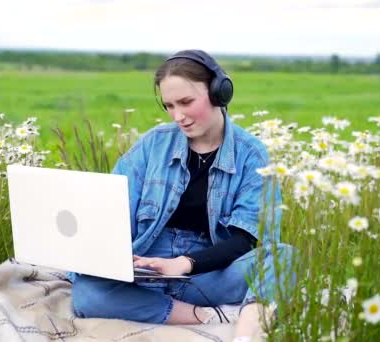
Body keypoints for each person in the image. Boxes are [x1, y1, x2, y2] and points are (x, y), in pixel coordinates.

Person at [70, 50, 295, 341]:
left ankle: (247, 334)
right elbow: (110, 211)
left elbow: (246, 239)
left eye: (187, 102)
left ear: (219, 92)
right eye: (169, 106)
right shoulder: (152, 145)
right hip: (145, 268)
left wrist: (184, 263)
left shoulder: (251, 153)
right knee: (87, 296)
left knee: (283, 256)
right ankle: (205, 316)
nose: (179, 116)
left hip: (206, 273)